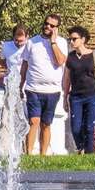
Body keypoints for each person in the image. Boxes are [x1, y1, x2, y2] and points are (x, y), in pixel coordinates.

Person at [15, 14, 67, 157]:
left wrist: (53, 42)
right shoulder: (32, 42)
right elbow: (24, 65)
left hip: (53, 90)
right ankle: (29, 154)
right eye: (46, 23)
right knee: (34, 121)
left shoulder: (61, 42)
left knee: (46, 123)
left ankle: (43, 156)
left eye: (52, 25)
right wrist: (20, 85)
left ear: (57, 28)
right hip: (33, 89)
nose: (47, 26)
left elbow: (60, 61)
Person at [62, 25, 95, 154]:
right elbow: (67, 78)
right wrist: (64, 97)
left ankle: (89, 154)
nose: (71, 41)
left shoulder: (94, 55)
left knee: (89, 127)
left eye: (74, 39)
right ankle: (81, 147)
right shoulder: (70, 57)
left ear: (83, 39)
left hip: (92, 96)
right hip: (76, 97)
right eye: (70, 39)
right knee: (75, 128)